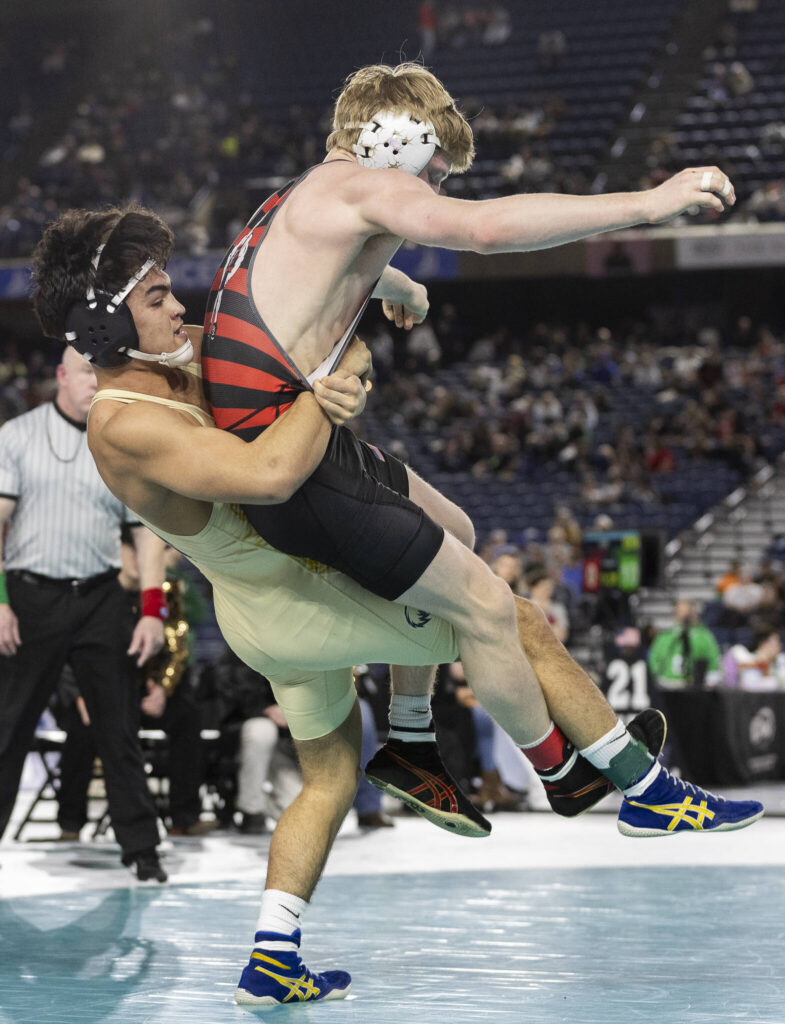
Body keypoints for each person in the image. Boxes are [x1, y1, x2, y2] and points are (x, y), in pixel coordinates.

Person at [31, 201, 762, 1007]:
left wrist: (380, 280)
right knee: (505, 614)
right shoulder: (123, 423)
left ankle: (272, 955)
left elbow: (283, 312)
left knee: (329, 778)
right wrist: (328, 388)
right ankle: (641, 788)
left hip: (271, 608)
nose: (179, 306)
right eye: (157, 295)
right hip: (293, 598)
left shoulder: (177, 361)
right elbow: (272, 473)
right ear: (102, 327)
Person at [198, 61, 738, 842]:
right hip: (293, 465)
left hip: (290, 441)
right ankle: (569, 773)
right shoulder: (362, 187)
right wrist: (647, 204)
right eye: (434, 173)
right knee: (486, 605)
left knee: (456, 528)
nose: (433, 195)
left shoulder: (299, 196)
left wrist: (395, 287)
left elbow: (302, 281)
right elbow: (485, 230)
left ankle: (412, 739)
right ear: (395, 141)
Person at [0, 345, 167, 882]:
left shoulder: (117, 445)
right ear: (60, 377)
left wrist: (152, 610)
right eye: (84, 374)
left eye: (102, 374)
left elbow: (145, 535)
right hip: (30, 598)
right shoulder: (16, 437)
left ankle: (143, 851)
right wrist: (0, 602)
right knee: (8, 730)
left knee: (118, 730)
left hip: (99, 597)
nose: (95, 384)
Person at [56, 538, 214, 839]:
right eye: (133, 554)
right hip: (97, 690)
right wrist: (79, 695)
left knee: (188, 715)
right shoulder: (89, 594)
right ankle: (70, 823)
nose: (139, 561)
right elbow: (63, 653)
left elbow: (177, 648)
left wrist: (163, 690)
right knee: (83, 725)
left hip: (146, 689)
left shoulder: (165, 591)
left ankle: (184, 816)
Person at [648, 599, 722, 689]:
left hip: (695, 687)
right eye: (680, 612)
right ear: (675, 614)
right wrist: (662, 678)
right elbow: (654, 661)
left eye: (687, 612)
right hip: (668, 685)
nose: (684, 616)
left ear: (694, 614)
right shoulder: (664, 637)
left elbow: (713, 661)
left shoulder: (704, 637)